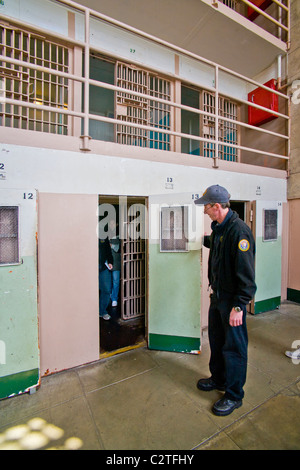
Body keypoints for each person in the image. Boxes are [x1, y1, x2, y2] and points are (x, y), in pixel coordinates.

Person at [194, 184, 256, 416]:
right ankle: (218, 379)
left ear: (217, 206)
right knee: (217, 341)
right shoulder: (220, 229)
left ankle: (233, 395)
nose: (204, 211)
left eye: (206, 208)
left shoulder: (239, 233)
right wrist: (197, 239)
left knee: (234, 348)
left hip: (232, 302)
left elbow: (247, 275)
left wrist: (240, 305)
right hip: (217, 297)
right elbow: (216, 244)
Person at [99, 238, 113, 320]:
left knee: (107, 290)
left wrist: (110, 262)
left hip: (103, 267)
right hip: (89, 267)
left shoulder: (103, 236)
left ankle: (102, 311)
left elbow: (108, 251)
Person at [108, 219, 121, 308]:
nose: (111, 225)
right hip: (107, 262)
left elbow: (120, 247)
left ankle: (114, 299)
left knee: (116, 281)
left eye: (113, 223)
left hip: (116, 261)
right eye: (110, 223)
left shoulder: (119, 235)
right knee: (107, 281)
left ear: (116, 224)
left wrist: (111, 245)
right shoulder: (106, 235)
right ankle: (109, 296)